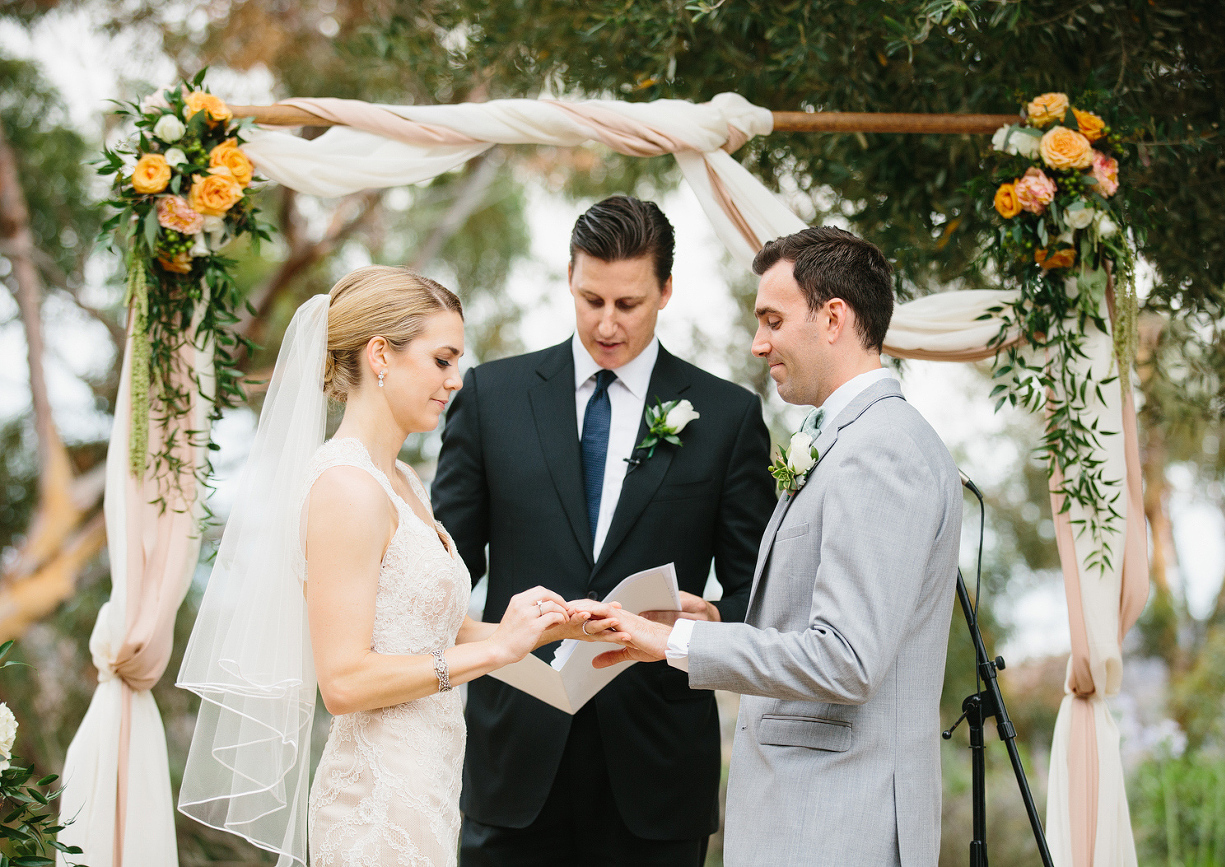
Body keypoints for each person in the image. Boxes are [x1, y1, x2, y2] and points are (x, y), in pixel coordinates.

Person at [177, 266, 619, 867]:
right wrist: (499, 652)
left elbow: (430, 628)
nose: (456, 381)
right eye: (442, 360)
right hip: (372, 805)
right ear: (380, 354)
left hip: (426, 789)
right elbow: (344, 682)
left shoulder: (403, 481)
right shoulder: (346, 488)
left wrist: (564, 626)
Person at [582, 227, 963, 866]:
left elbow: (846, 659)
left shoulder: (880, 451)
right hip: (814, 821)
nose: (759, 343)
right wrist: (711, 618)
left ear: (834, 318)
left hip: (839, 828)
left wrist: (671, 644)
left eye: (773, 320)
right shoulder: (851, 439)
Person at [431, 196, 776, 866]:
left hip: (656, 772)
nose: (607, 323)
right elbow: (443, 579)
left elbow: (760, 597)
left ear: (666, 290)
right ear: (568, 276)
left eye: (628, 303)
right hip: (515, 760)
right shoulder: (490, 397)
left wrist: (706, 617)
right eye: (591, 299)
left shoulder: (728, 416)